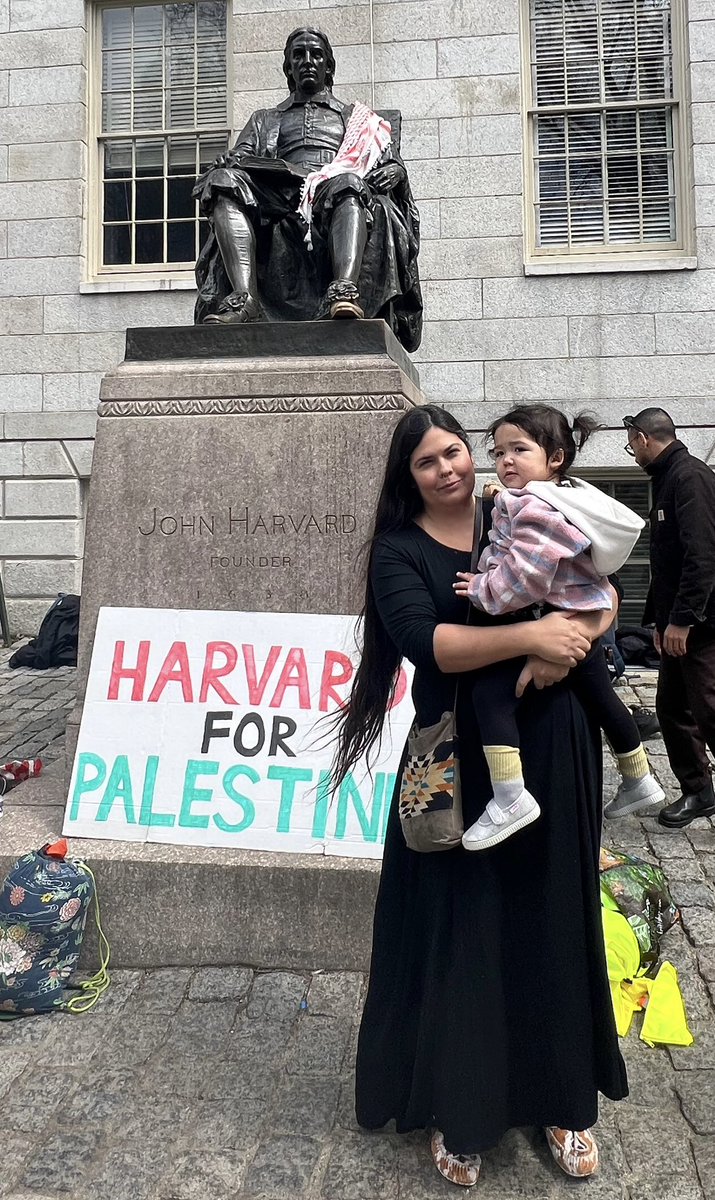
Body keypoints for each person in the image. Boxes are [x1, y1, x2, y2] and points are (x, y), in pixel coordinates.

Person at [331, 404, 627, 1189]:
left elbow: (603, 595)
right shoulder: (397, 550)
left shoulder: (519, 503)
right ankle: (459, 1106)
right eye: (427, 461)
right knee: (464, 930)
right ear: (408, 476)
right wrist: (530, 637)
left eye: (455, 452)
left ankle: (563, 1101)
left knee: (553, 917)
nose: (449, 469)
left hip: (553, 742)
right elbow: (429, 644)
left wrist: (569, 648)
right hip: (457, 757)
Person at [452, 405, 663, 850]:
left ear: (555, 459)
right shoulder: (559, 497)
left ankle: (510, 797)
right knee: (604, 698)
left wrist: (482, 590)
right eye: (498, 451)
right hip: (577, 616)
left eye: (519, 450)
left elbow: (523, 579)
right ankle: (639, 777)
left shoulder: (539, 510)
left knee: (490, 696)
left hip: (554, 619)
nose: (506, 460)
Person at [193, 27, 422, 350]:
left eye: (316, 54)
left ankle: (343, 290)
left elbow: (387, 161)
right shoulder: (265, 119)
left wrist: (397, 171)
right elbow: (241, 157)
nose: (307, 61)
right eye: (298, 55)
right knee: (223, 182)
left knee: (349, 184)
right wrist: (227, 163)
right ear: (288, 68)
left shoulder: (356, 119)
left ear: (329, 66)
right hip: (278, 196)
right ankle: (245, 299)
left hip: (332, 191)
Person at [625, 408, 715, 828]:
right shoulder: (667, 478)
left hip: (702, 626)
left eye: (631, 444)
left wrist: (682, 619)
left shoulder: (688, 477)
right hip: (679, 623)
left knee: (708, 709)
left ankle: (699, 790)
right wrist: (658, 623)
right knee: (672, 708)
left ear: (642, 437)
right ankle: (699, 792)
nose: (632, 453)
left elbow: (702, 556)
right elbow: (666, 562)